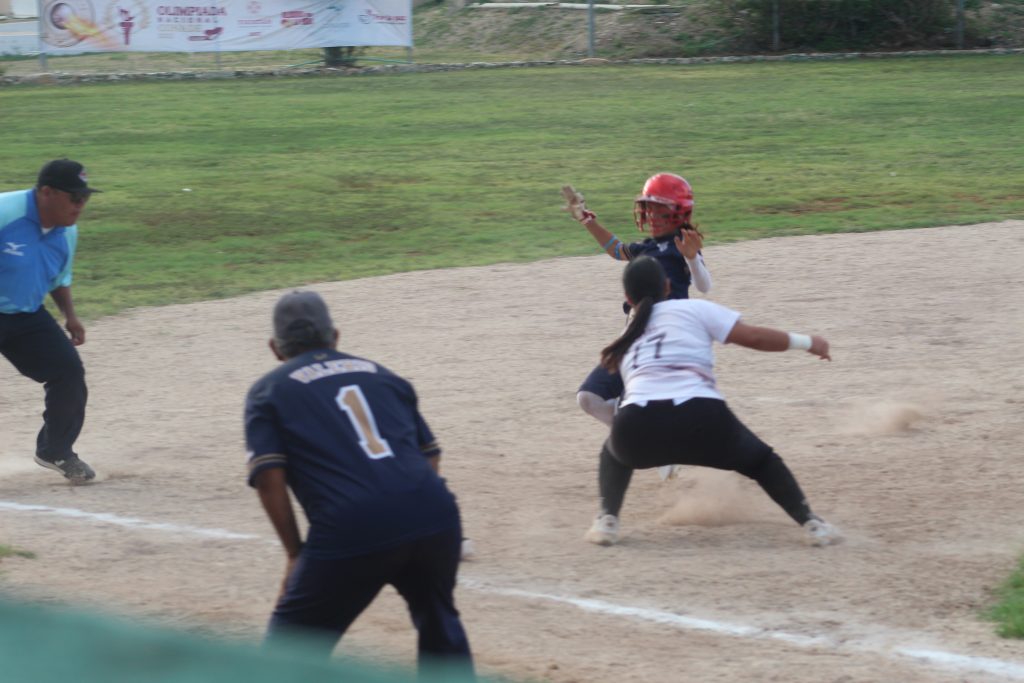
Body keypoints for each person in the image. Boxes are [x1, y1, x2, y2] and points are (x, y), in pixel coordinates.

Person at [244, 290, 473, 675]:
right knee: (440, 625)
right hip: (434, 514)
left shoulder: (269, 391)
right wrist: (407, 509)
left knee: (288, 651)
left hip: (352, 523)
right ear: (335, 336)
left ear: (274, 348)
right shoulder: (384, 375)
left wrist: (295, 553)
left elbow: (269, 477)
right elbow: (430, 455)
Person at [584, 255, 842, 548]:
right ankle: (813, 524)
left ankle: (607, 521)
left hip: (636, 427)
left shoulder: (627, 334)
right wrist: (807, 342)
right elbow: (754, 337)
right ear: (667, 286)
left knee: (613, 453)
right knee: (762, 461)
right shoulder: (693, 308)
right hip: (701, 417)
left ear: (628, 298)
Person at [563, 173, 711, 481]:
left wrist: (692, 258)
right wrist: (586, 220)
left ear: (678, 211)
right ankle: (649, 440)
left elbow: (704, 285)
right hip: (632, 338)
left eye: (658, 209)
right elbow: (616, 249)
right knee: (588, 398)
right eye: (648, 209)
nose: (651, 215)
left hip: (664, 341)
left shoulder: (682, 246)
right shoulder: (646, 248)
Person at [0, 159, 100, 483]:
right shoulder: (5, 212)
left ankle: (56, 450)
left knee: (68, 372)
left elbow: (58, 277)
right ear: (46, 192)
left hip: (25, 314)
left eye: (85, 197)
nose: (80, 205)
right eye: (75, 197)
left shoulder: (67, 231)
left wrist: (70, 316)